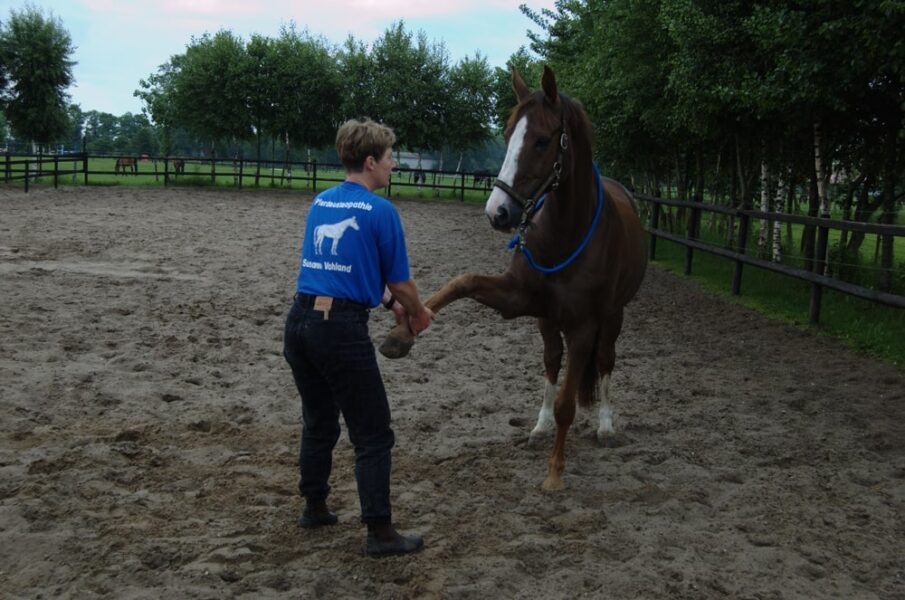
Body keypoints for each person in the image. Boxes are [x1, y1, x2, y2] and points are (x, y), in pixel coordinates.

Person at [283, 117, 434, 557]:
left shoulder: (322, 202)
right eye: (389, 159)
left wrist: (390, 306)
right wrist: (418, 311)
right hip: (340, 331)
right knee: (372, 433)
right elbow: (401, 281)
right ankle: (380, 532)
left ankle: (314, 505)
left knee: (320, 419)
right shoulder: (382, 211)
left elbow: (347, 270)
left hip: (300, 322)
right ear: (370, 162)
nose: (393, 166)